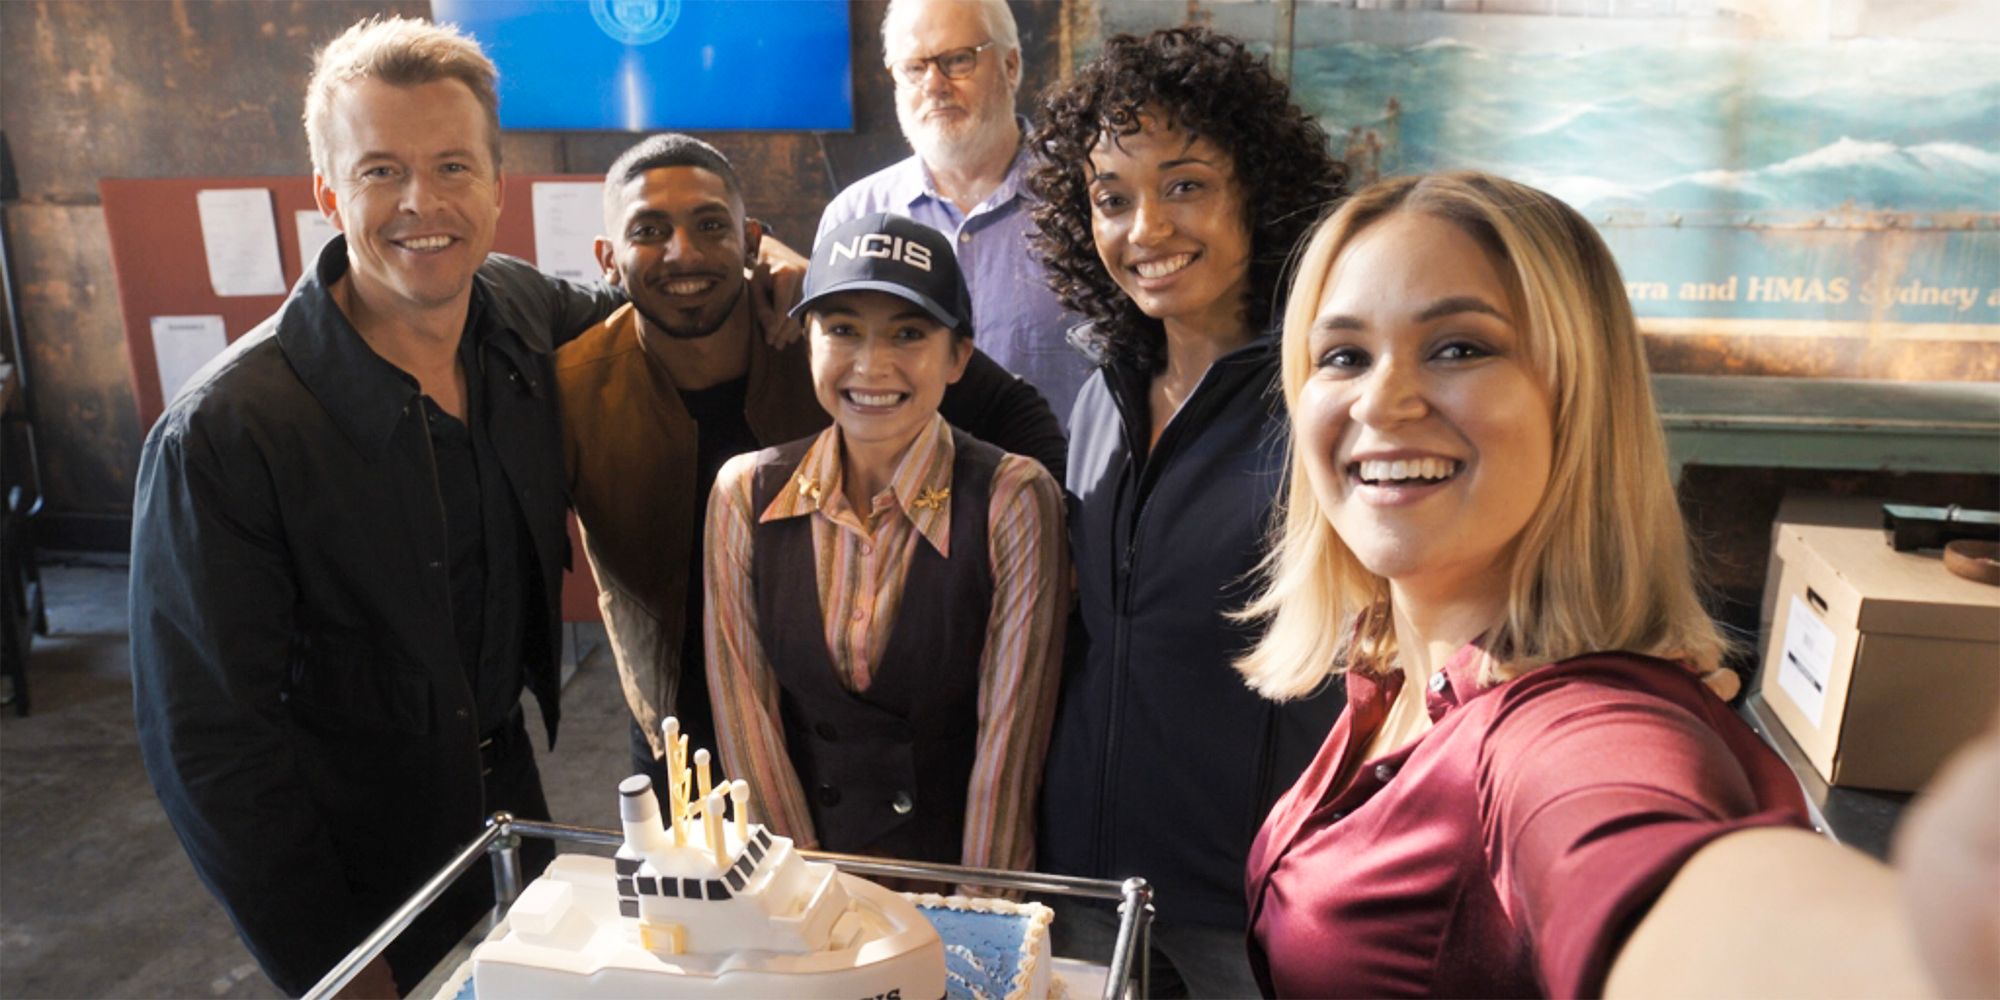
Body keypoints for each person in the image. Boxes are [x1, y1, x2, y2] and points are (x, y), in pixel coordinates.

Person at [1238, 171, 1935, 997]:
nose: (1381, 402)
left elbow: (1654, 868)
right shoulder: (1394, 670)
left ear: (1580, 401)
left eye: (1460, 348)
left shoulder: (1577, 723)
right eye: (1344, 356)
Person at [129, 17, 623, 997]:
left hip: (509, 808)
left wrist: (775, 275)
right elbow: (211, 748)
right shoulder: (225, 433)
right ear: (328, 193)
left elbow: (653, 312)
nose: (420, 203)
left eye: (451, 166)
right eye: (380, 171)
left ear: (497, 182)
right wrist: (338, 965)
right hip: (354, 861)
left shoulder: (517, 312)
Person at [559, 134, 1067, 801]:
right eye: (650, 231)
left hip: (836, 719)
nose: (683, 252)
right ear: (608, 258)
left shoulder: (818, 337)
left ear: (751, 240)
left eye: (710, 225)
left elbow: (1009, 407)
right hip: (677, 724)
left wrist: (1056, 553)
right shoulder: (576, 389)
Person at [1025, 26, 1347, 996]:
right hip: (1087, 886)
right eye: (1111, 198)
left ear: (1260, 191)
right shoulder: (1103, 392)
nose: (1145, 229)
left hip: (1248, 907)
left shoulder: (1325, 401)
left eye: (1185, 185)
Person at [703, 213, 1067, 882]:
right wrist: (800, 902)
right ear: (807, 341)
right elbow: (747, 726)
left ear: (958, 357)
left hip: (955, 880)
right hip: (806, 879)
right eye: (843, 330)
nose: (871, 365)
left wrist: (980, 918)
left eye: (908, 334)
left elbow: (1009, 751)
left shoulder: (1012, 497)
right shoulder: (745, 494)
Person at [818, 0, 1090, 427]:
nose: (935, 85)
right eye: (914, 67)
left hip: (1064, 471)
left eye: (958, 60)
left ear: (1011, 66)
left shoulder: (1089, 197)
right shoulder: (854, 216)